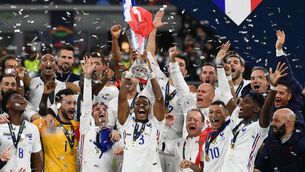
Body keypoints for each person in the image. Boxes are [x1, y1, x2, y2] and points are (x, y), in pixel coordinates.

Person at [220, 62, 288, 172]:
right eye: (241, 101)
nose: (240, 104)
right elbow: (225, 94)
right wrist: (219, 67)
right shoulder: (238, 120)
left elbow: (265, 110)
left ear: (257, 109)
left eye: (246, 102)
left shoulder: (258, 128)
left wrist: (273, 87)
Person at [118, 54, 165, 171]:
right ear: (133, 108)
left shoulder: (156, 124)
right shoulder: (126, 123)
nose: (141, 105)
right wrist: (131, 70)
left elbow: (159, 99)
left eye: (145, 103)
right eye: (138, 104)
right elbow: (121, 98)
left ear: (150, 109)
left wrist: (150, 73)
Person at [78, 57, 120, 171]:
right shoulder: (86, 129)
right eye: (97, 109)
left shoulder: (114, 136)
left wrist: (118, 137)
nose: (101, 110)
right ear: (91, 115)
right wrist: (87, 77)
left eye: (104, 109)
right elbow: (87, 104)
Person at [33, 88, 80, 172]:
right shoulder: (45, 124)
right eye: (68, 103)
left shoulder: (78, 126)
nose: (72, 106)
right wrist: (3, 117)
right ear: (58, 105)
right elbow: (22, 126)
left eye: (74, 103)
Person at [0, 91, 42, 172]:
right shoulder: (1, 128)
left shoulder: (33, 128)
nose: (21, 99)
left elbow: (36, 159)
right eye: (16, 98)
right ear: (7, 105)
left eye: (22, 98)